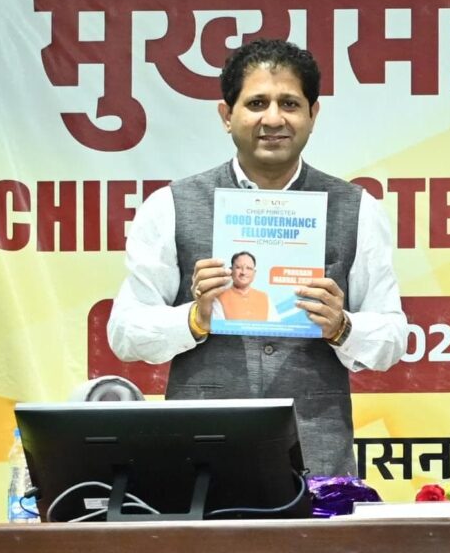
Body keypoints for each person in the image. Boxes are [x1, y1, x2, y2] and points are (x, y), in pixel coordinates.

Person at [105, 39, 407, 477]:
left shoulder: (357, 209)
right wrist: (194, 318)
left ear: (313, 114)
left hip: (317, 462)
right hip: (201, 460)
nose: (273, 119)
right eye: (257, 103)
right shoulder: (170, 205)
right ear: (227, 115)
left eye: (290, 103)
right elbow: (124, 332)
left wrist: (342, 326)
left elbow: (393, 338)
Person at [215, 251, 272, 322]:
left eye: (249, 268)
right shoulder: (219, 298)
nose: (243, 272)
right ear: (231, 271)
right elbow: (218, 327)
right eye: (238, 267)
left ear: (254, 273)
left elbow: (275, 326)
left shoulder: (265, 298)